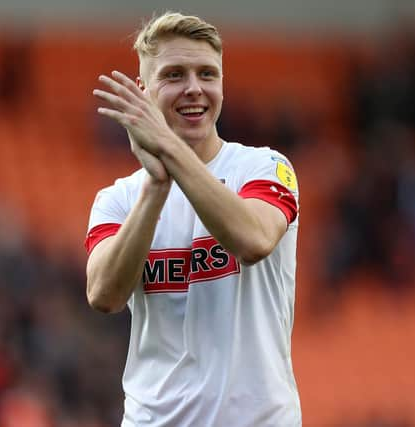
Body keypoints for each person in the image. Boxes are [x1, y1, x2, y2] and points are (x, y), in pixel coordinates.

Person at [85, 11, 301, 427]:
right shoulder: (118, 199)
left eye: (207, 74)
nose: (194, 89)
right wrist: (155, 187)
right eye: (174, 75)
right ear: (144, 92)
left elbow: (253, 240)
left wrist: (167, 148)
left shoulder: (265, 168)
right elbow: (104, 295)